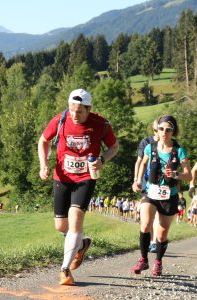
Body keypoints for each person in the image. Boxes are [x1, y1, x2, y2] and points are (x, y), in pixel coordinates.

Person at [37, 88, 119, 285]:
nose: (74, 114)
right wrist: (43, 164)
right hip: (62, 177)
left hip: (85, 178)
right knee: (60, 226)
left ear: (89, 109)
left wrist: (102, 159)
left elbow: (114, 147)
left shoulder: (101, 124)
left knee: (75, 220)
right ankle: (81, 244)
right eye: (71, 109)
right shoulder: (60, 120)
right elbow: (43, 140)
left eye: (79, 111)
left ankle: (65, 270)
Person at [132, 115, 191, 276]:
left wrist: (176, 174)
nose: (164, 132)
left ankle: (158, 262)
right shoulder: (150, 147)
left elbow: (189, 176)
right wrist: (138, 180)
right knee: (145, 225)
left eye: (168, 129)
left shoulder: (179, 151)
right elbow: (143, 163)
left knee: (161, 234)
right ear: (157, 130)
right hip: (151, 192)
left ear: (173, 132)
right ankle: (143, 260)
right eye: (161, 129)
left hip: (169, 195)